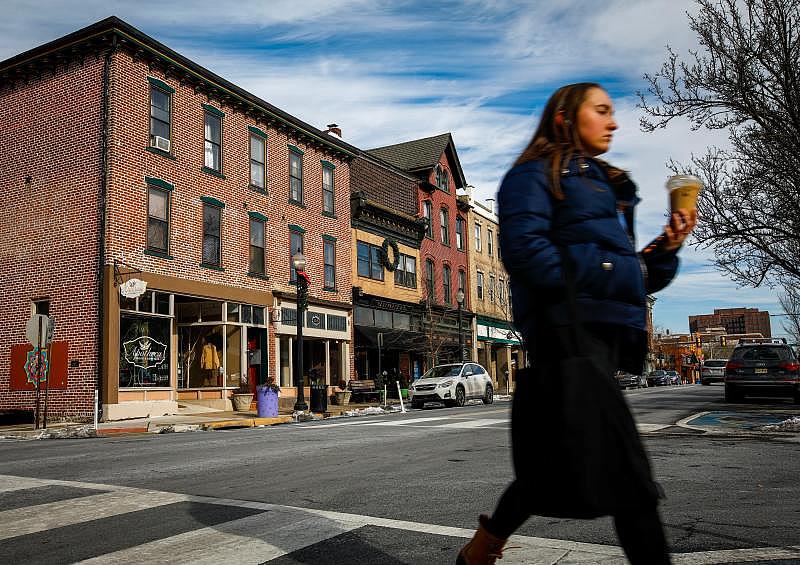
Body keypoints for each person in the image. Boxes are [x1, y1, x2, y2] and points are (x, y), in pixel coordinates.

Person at [456, 83, 696, 565]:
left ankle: (481, 550)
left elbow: (632, 277)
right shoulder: (533, 176)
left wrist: (666, 249)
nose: (613, 122)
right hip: (566, 334)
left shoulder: (607, 187)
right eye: (602, 110)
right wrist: (605, 273)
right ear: (566, 118)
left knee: (549, 468)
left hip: (602, 339)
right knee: (632, 481)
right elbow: (525, 251)